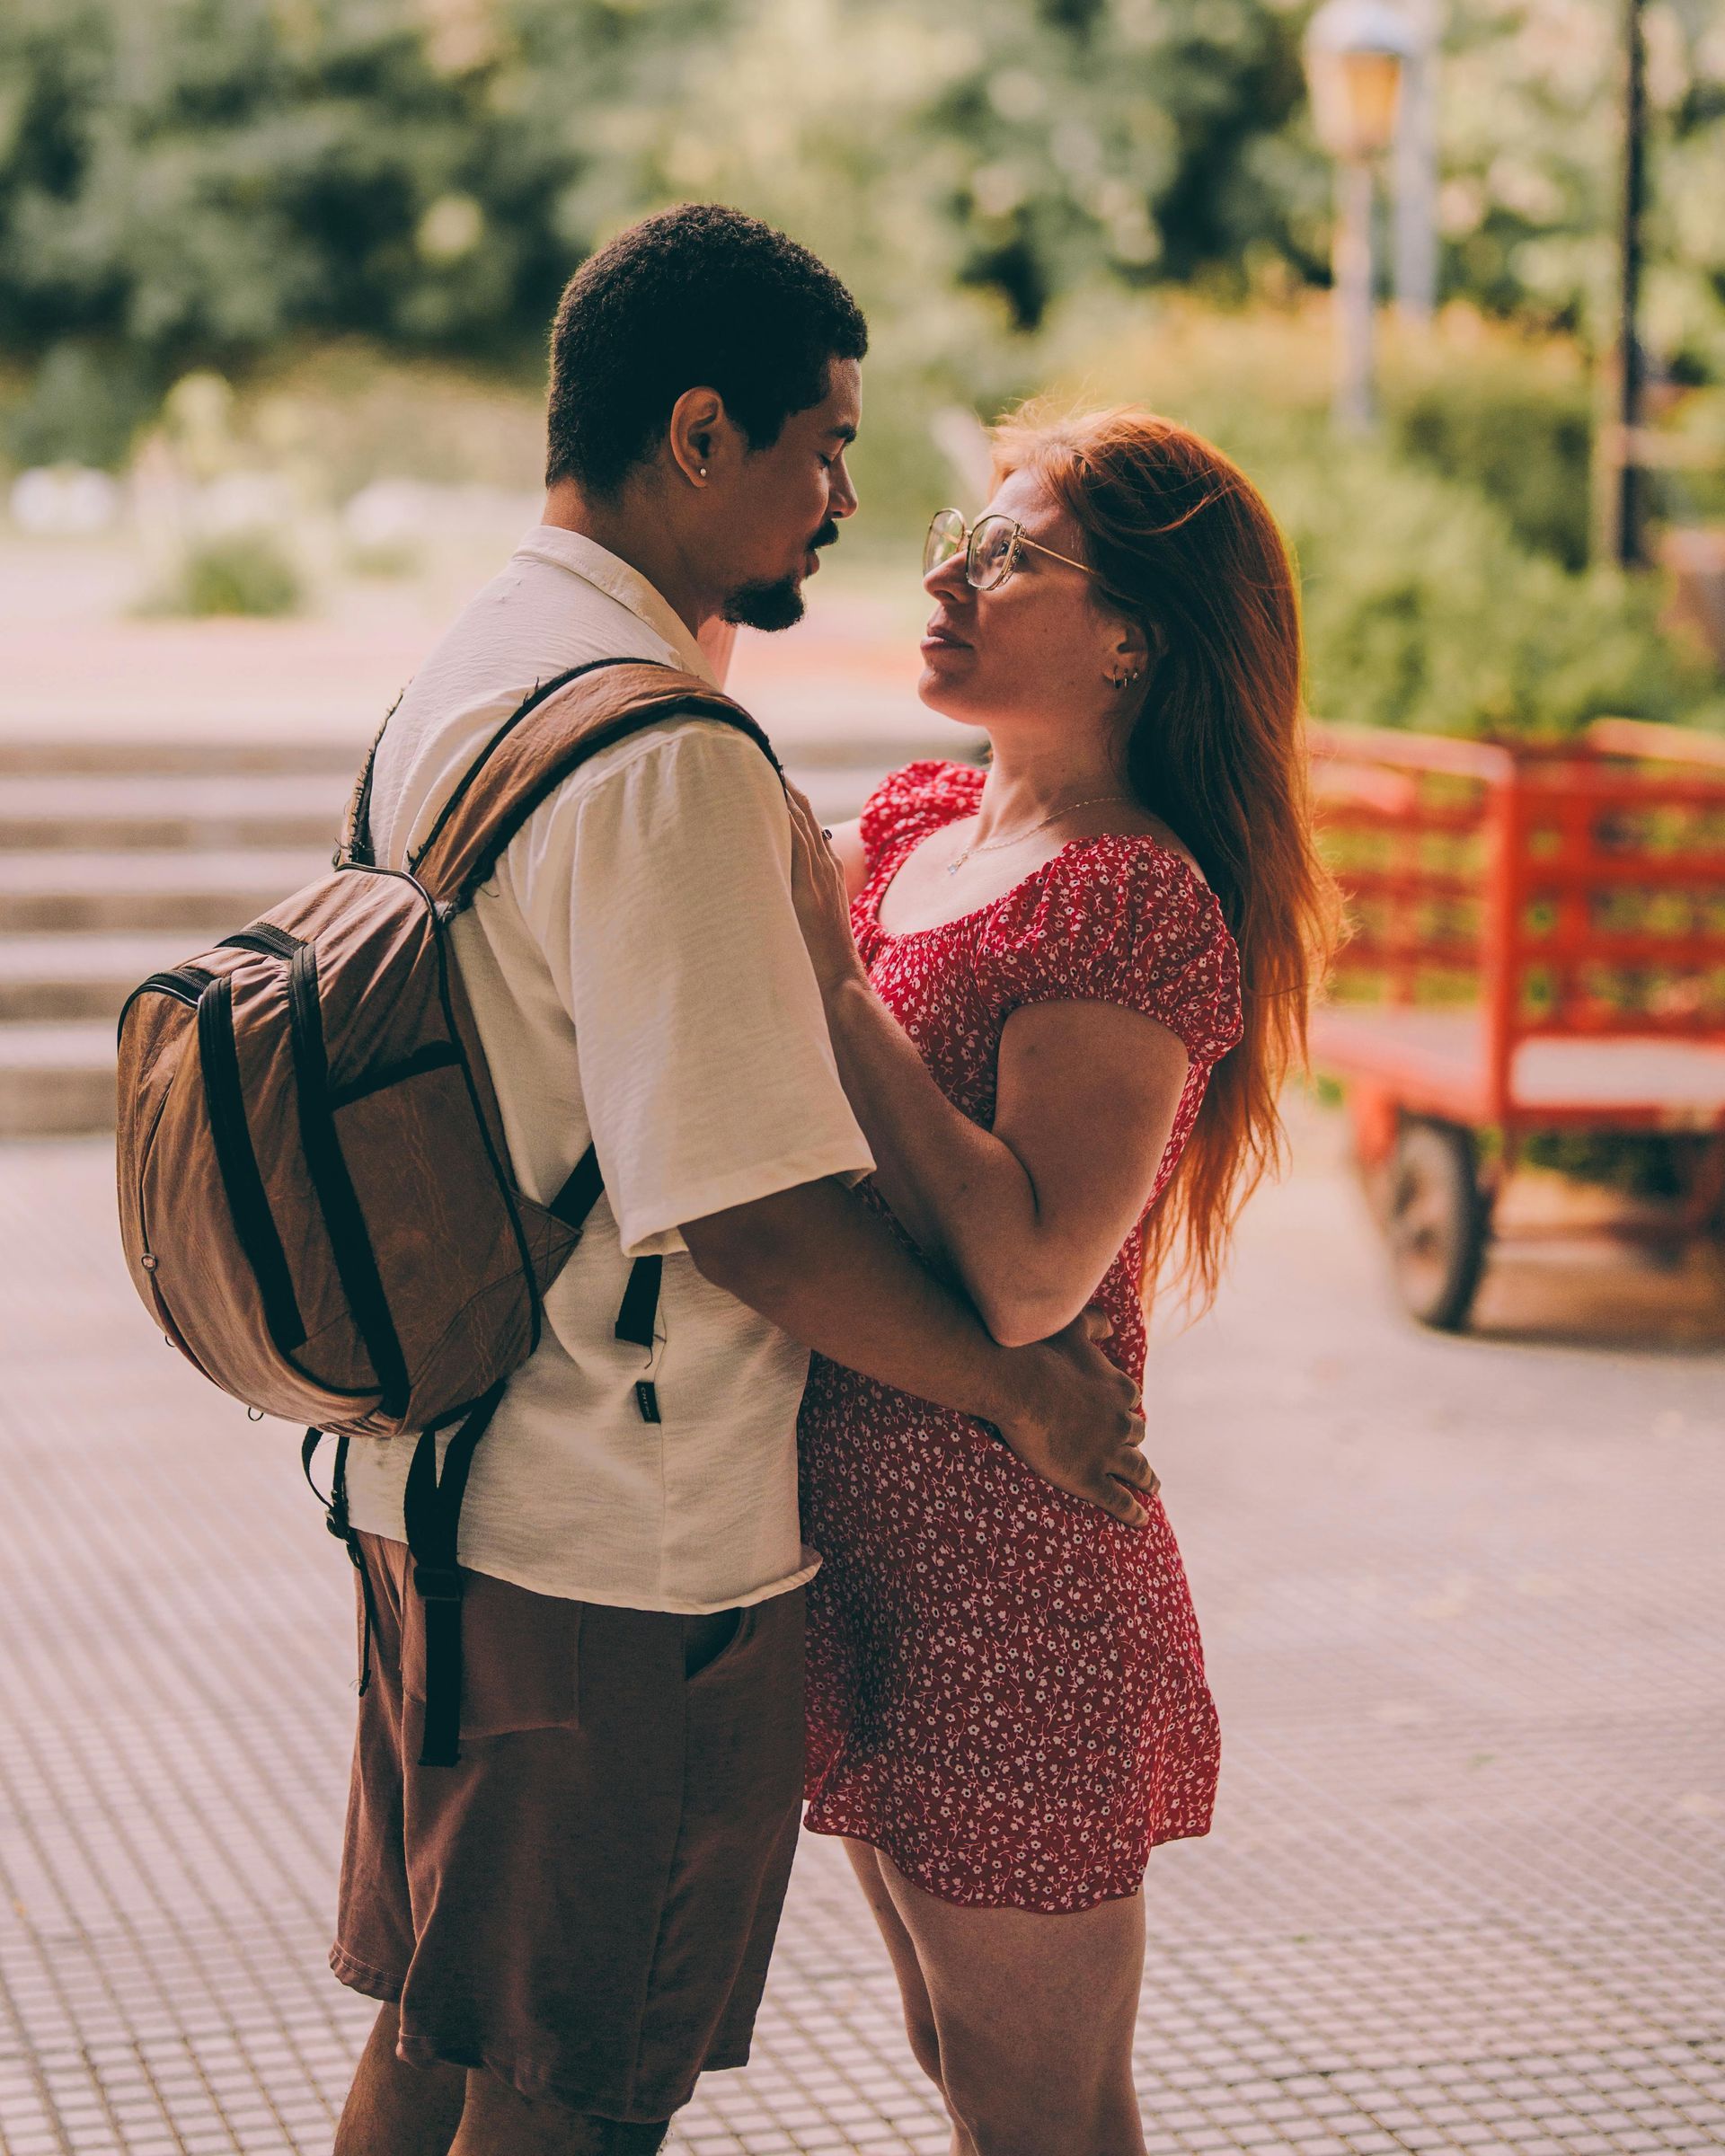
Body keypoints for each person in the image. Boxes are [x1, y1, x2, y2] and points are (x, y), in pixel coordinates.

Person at [328, 209, 1151, 2156]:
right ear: (702, 434)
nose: (847, 499)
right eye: (824, 448)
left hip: (428, 1482)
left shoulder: (483, 657)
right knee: (575, 2092)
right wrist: (1023, 1390)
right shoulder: (669, 751)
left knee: (446, 2031)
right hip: (618, 1553)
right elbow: (747, 1211)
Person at [786, 406, 1335, 2156]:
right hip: (857, 1541)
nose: (950, 571)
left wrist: (827, 979)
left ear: (1133, 637)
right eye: (968, 530)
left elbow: (1028, 1272)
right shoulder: (924, 819)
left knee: (1039, 2112)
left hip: (1014, 1584)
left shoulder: (1133, 898)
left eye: (1016, 553)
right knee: (958, 2065)